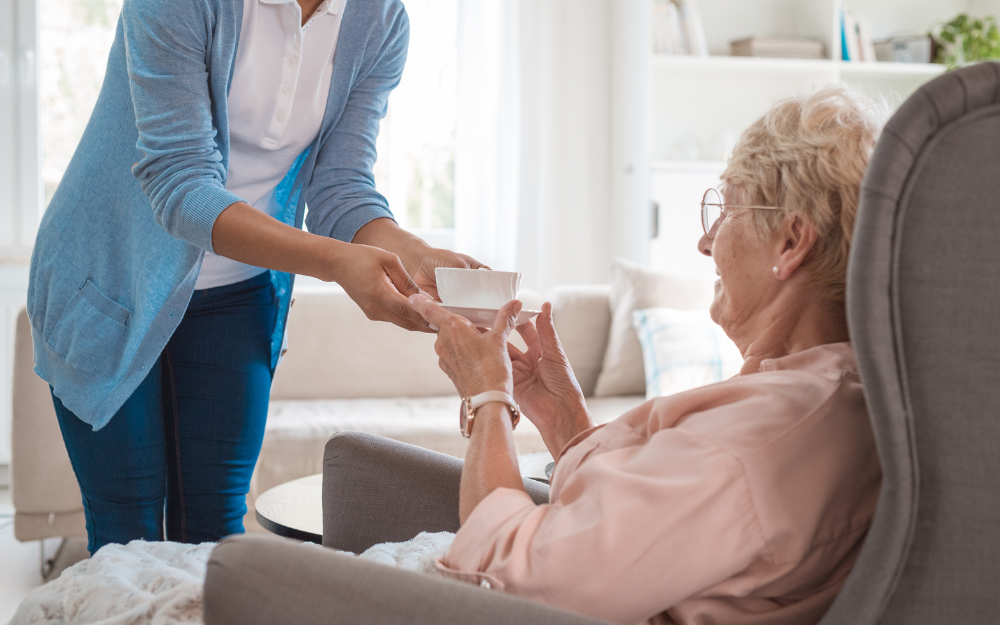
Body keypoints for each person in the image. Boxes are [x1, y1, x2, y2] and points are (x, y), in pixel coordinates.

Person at [407, 85, 886, 625]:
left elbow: (505, 582)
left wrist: (487, 396)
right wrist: (562, 416)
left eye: (726, 209)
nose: (705, 244)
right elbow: (648, 532)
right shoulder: (836, 395)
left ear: (792, 242)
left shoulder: (754, 446)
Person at [27, 0, 480, 555]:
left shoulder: (378, 20)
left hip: (240, 290)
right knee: (129, 534)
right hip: (107, 280)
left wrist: (415, 252)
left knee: (217, 529)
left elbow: (341, 185)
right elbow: (180, 185)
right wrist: (336, 263)